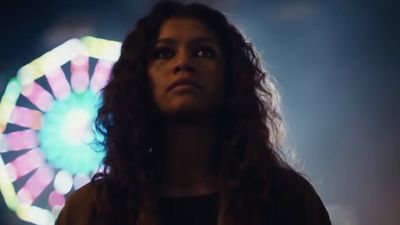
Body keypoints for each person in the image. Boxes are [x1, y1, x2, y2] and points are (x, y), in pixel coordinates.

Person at [56, 1, 331, 225]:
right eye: (164, 53)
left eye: (204, 52)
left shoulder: (287, 201)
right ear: (140, 78)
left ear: (231, 76)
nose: (183, 63)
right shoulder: (92, 212)